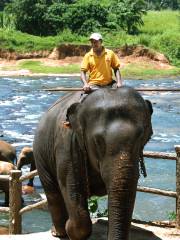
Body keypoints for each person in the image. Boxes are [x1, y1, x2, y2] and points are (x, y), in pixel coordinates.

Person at [63, 33, 123, 127]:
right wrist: (85, 84)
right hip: (94, 84)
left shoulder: (110, 53)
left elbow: (116, 69)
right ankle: (70, 119)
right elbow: (83, 72)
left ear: (101, 42)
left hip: (109, 83)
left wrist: (119, 83)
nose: (94, 43)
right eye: (92, 42)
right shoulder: (88, 56)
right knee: (82, 100)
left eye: (96, 41)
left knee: (123, 95)